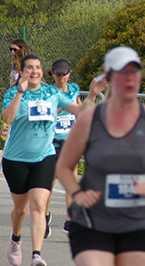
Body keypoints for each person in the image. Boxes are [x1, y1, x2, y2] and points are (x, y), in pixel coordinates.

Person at [56, 46, 145, 266]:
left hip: (136, 220)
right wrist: (77, 194)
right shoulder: (90, 119)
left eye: (134, 71)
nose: (129, 77)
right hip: (92, 220)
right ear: (109, 77)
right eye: (121, 71)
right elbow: (63, 167)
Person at [1, 53, 102, 266]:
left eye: (37, 67)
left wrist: (92, 94)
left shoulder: (51, 93)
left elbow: (80, 110)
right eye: (29, 68)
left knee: (38, 204)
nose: (34, 71)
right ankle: (16, 238)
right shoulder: (12, 94)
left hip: (44, 156)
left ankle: (36, 255)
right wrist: (20, 90)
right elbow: (8, 118)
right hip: (16, 159)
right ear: (21, 72)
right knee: (21, 210)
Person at [43, 58, 106, 238]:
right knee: (50, 183)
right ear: (52, 74)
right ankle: (45, 216)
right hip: (51, 142)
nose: (61, 77)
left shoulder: (73, 89)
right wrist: (61, 107)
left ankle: (70, 221)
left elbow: (82, 110)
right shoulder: (47, 91)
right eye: (58, 74)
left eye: (64, 74)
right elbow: (46, 112)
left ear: (69, 74)